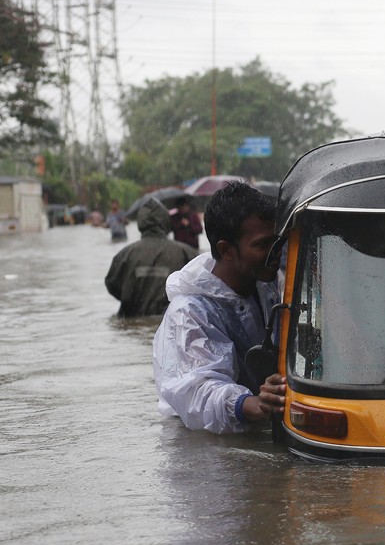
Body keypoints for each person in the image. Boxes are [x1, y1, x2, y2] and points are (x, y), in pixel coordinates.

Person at [152, 181, 286, 434]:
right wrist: (252, 404)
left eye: (276, 242)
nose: (275, 253)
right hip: (202, 443)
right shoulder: (188, 313)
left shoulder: (267, 283)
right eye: (261, 245)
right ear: (226, 250)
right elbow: (198, 392)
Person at [105, 199, 200, 317]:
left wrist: (133, 298)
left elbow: (112, 284)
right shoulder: (186, 253)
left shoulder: (125, 254)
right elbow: (200, 286)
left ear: (141, 222)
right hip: (172, 322)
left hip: (132, 319)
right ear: (166, 221)